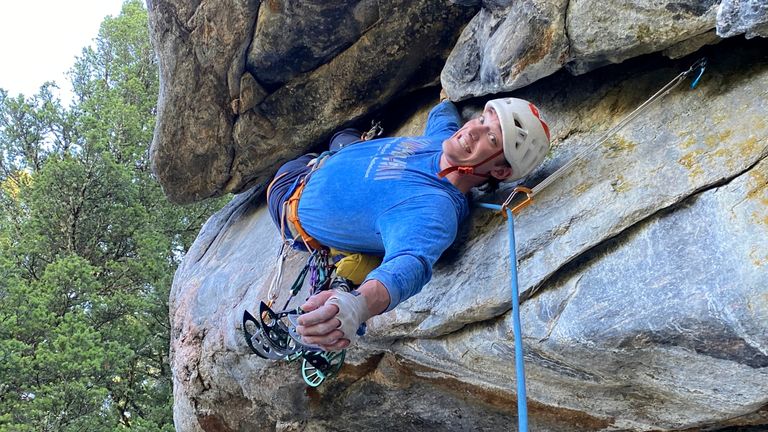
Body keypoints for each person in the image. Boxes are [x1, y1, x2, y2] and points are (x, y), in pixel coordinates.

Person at [266, 93, 551, 352]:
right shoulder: (442, 141)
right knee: (344, 137)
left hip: (286, 195)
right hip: (331, 158)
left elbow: (408, 265)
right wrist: (447, 97)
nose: (472, 131)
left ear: (499, 170)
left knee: (330, 147)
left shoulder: (434, 210)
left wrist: (358, 306)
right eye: (480, 120)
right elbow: (443, 115)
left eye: (491, 138)